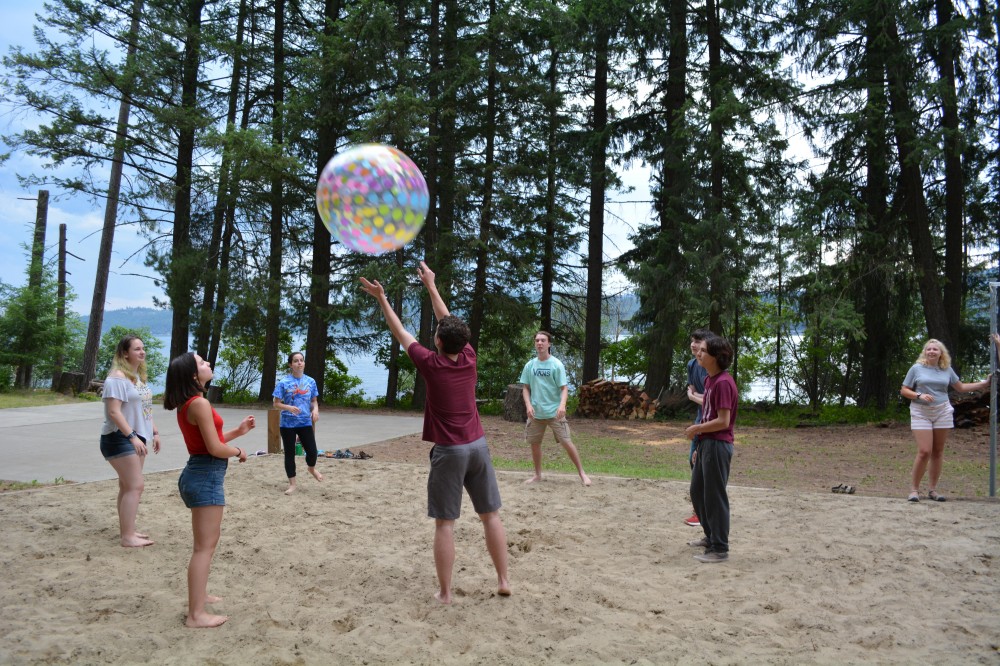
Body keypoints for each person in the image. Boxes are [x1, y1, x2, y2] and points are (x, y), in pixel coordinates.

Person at [360, 261, 510, 604]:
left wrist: (382, 298)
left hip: (450, 452)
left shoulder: (431, 363)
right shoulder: (469, 356)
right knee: (491, 516)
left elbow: (400, 331)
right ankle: (503, 579)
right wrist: (431, 285)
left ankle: (445, 592)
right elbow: (449, 322)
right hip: (478, 447)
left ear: (439, 341)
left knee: (445, 524)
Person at [164, 352, 256, 628]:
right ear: (193, 375)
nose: (208, 364)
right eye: (202, 363)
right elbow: (215, 449)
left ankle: (200, 596)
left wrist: (238, 432)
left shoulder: (189, 403)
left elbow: (209, 441)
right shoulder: (200, 403)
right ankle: (196, 615)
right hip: (205, 476)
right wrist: (238, 451)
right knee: (204, 548)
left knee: (205, 546)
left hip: (199, 472)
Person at [900, 339, 991, 503]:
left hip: (942, 411)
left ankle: (932, 490)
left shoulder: (946, 369)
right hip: (921, 411)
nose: (931, 351)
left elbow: (961, 387)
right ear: (925, 352)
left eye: (935, 349)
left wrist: (984, 384)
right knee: (924, 451)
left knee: (938, 451)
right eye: (929, 349)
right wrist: (919, 395)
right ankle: (914, 490)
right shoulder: (916, 368)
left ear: (941, 353)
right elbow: (904, 390)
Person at [99, 335, 160, 548]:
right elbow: (114, 412)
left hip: (138, 437)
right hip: (119, 437)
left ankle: (128, 530)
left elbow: (145, 409)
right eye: (136, 349)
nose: (142, 352)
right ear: (125, 353)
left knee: (127, 486)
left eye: (143, 348)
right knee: (135, 485)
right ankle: (127, 537)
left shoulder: (137, 377)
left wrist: (154, 432)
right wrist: (132, 437)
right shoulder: (117, 378)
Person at [685, 334, 738, 564]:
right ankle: (710, 537)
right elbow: (708, 413)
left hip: (718, 444)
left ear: (716, 356)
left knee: (715, 497)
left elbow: (723, 421)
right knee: (698, 492)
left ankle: (720, 548)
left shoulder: (724, 383)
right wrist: (699, 443)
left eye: (704, 350)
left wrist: (697, 429)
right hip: (706, 443)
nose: (698, 352)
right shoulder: (709, 380)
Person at [519, 331, 591, 486]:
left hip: (554, 413)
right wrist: (528, 405)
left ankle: (582, 474)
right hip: (535, 413)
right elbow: (525, 388)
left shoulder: (556, 364)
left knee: (566, 441)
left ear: (549, 344)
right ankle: (537, 475)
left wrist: (562, 405)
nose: (540, 343)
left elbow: (564, 388)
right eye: (537, 340)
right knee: (535, 444)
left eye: (543, 340)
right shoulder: (530, 365)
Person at [272, 351, 321, 495]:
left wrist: (315, 410)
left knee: (312, 451)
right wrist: (289, 407)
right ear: (290, 365)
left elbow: (314, 401)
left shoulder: (310, 381)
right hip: (287, 424)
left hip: (305, 422)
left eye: (301, 360)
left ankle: (311, 468)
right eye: (296, 361)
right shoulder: (284, 382)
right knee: (290, 454)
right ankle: (292, 484)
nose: (299, 363)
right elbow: (276, 403)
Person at [683, 329, 711, 527]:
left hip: (710, 422)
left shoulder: (710, 367)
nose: (694, 344)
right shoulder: (692, 364)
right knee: (695, 462)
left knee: (703, 466)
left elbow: (710, 399)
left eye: (698, 341)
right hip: (700, 419)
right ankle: (701, 510)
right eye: (692, 340)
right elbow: (694, 390)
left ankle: (702, 512)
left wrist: (694, 397)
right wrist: (696, 396)